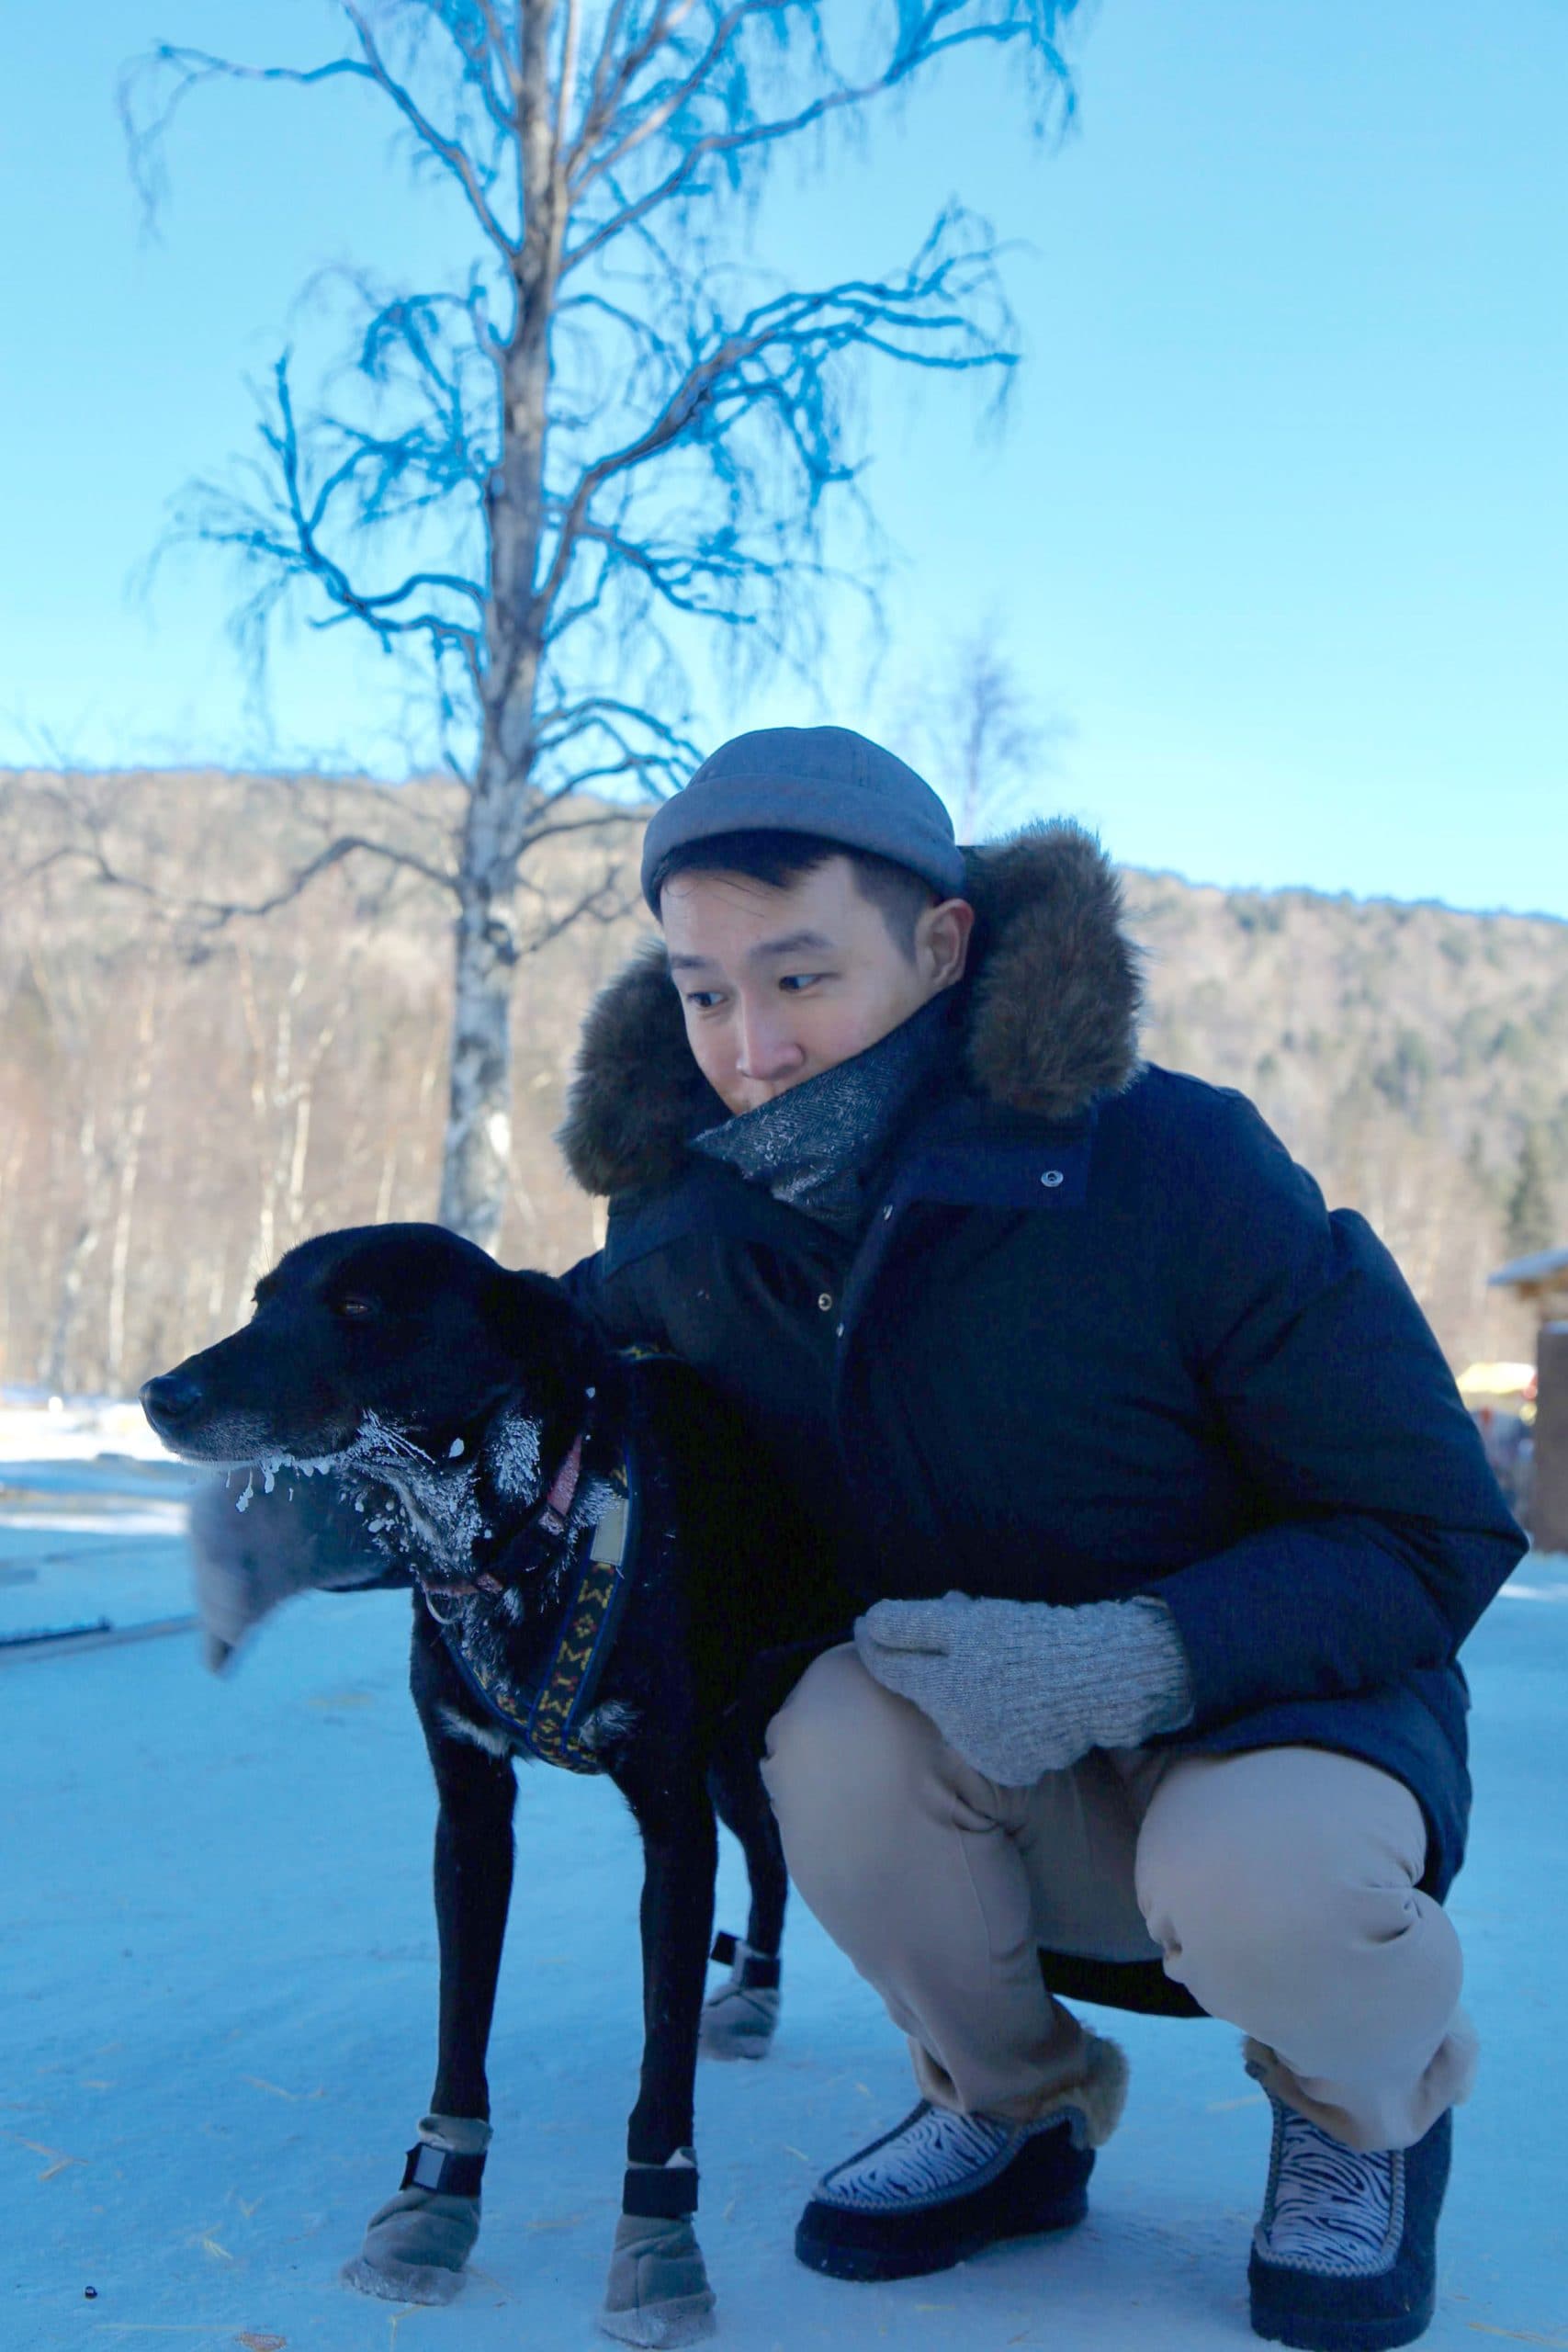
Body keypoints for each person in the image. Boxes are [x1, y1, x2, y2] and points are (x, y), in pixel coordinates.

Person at [556, 722, 1522, 2351]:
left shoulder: (1170, 1160)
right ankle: (1016, 2108)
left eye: (798, 977)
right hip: (983, 1736)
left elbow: (1429, 1518)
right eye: (703, 990)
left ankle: (1366, 2118)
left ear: (942, 943)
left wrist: (1140, 1655)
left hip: (1287, 1723)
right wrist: (315, 1479)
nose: (749, 1047)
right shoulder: (697, 1233)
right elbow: (534, 1401)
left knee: (1257, 1882)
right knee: (827, 1738)